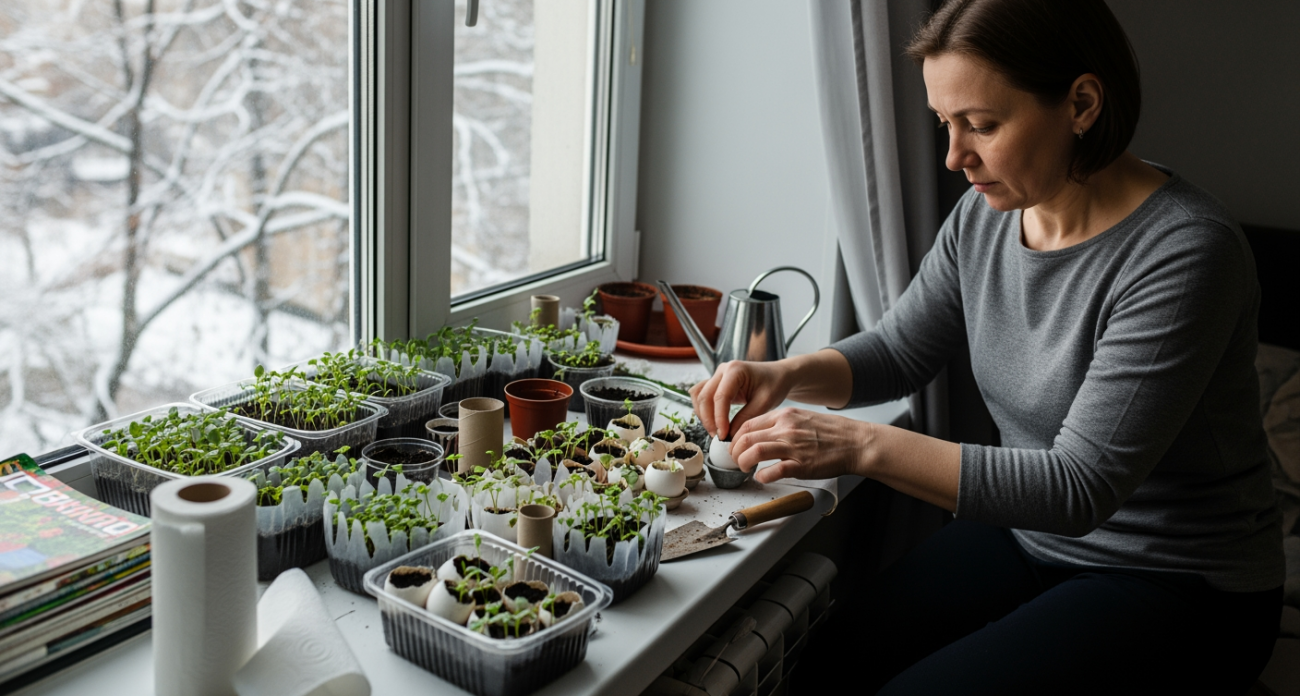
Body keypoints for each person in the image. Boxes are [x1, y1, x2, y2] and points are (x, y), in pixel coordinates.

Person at [689, 0, 1282, 692]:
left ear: (1082, 104)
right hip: (1034, 540)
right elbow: (900, 348)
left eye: (982, 125)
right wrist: (781, 374)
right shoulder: (986, 216)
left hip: (1180, 580)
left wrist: (853, 444)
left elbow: (1077, 486)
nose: (953, 156)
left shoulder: (1184, 253)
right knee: (831, 661)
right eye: (946, 124)